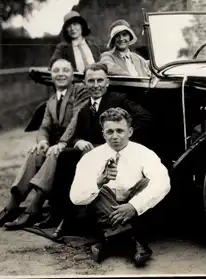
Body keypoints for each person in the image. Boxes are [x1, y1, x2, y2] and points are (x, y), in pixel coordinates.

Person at [43, 62, 153, 231]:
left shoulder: (117, 99)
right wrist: (78, 141)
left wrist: (120, 140)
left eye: (100, 80)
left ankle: (77, 216)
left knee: (82, 160)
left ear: (107, 82)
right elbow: (76, 135)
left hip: (115, 150)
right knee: (66, 155)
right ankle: (61, 212)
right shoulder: (85, 109)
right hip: (92, 153)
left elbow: (144, 117)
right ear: (84, 84)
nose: (96, 85)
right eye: (91, 81)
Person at [0, 59, 89, 229]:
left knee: (54, 154)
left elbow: (76, 120)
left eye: (65, 70)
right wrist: (42, 142)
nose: (61, 74)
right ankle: (11, 206)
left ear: (72, 75)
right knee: (35, 153)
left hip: (75, 144)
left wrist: (61, 143)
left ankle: (34, 208)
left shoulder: (79, 91)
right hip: (59, 146)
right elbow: (44, 127)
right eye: (56, 71)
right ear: (51, 75)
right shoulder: (51, 100)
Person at [69, 107, 170, 266]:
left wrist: (133, 206)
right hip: (102, 212)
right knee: (99, 189)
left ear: (130, 131)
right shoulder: (91, 157)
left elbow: (163, 182)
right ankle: (133, 241)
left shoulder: (144, 152)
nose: (115, 136)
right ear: (103, 133)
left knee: (149, 182)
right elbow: (75, 197)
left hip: (135, 211)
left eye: (120, 131)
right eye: (109, 132)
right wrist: (99, 182)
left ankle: (110, 242)